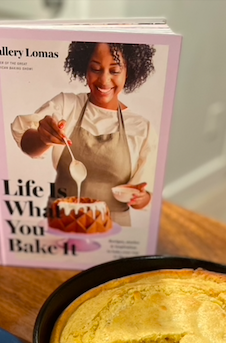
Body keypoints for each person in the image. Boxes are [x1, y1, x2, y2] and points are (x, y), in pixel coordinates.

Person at [11, 41, 157, 226]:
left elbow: (143, 197)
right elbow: (28, 146)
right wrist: (43, 138)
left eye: (114, 71)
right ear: (84, 69)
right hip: (61, 224)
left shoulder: (142, 128)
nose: (104, 80)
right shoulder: (67, 105)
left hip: (113, 229)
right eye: (96, 69)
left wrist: (140, 198)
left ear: (130, 72)